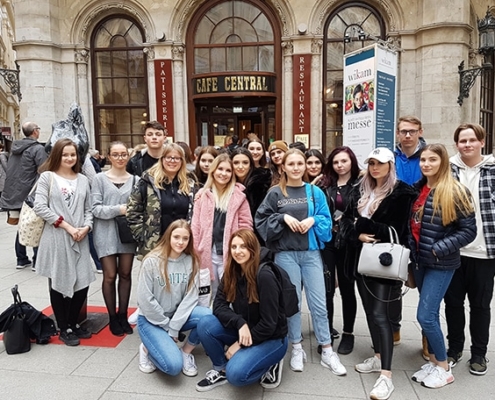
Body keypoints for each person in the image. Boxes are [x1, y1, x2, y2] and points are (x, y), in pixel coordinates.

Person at [255, 148, 346, 376]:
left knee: (319, 303)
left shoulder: (315, 192)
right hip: (285, 254)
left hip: (311, 253)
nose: (296, 167)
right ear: (283, 167)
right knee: (291, 303)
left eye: (300, 163)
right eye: (291, 164)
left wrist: (313, 219)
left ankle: (326, 349)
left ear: (305, 166)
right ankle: (296, 347)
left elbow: (326, 220)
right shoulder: (276, 193)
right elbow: (261, 219)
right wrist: (282, 217)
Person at [340, 147, 417, 399]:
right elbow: (345, 222)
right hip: (362, 259)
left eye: (380, 163)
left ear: (390, 165)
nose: (375, 168)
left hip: (384, 262)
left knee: (380, 315)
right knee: (370, 313)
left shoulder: (402, 192)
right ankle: (377, 356)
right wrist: (357, 233)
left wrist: (361, 224)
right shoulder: (360, 189)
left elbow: (396, 229)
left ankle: (386, 376)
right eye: (371, 163)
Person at [409, 143, 476, 389]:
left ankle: (444, 368)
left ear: (443, 162)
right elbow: (413, 225)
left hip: (440, 262)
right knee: (431, 314)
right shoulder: (418, 190)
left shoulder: (456, 190)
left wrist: (440, 248)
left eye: (432, 160)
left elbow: (469, 231)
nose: (426, 164)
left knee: (424, 316)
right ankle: (436, 361)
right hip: (419, 261)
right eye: (423, 159)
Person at [196, 229, 288, 391]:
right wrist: (240, 323)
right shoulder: (232, 272)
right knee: (205, 324)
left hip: (272, 338)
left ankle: (270, 362)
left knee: (237, 376)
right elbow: (218, 306)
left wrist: (239, 345)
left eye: (243, 247)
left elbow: (269, 324)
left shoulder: (265, 275)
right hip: (246, 330)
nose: (237, 251)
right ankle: (221, 369)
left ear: (253, 249)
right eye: (234, 247)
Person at [33, 138, 95, 346]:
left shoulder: (83, 179)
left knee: (83, 281)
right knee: (59, 281)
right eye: (65, 154)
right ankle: (64, 326)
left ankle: (74, 322)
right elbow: (40, 207)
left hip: (80, 236)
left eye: (73, 154)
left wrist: (86, 227)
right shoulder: (47, 178)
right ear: (57, 155)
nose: (69, 158)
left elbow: (89, 209)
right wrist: (67, 226)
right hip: (58, 236)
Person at [444, 124, 495, 375]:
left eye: (472, 140)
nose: (467, 144)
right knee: (452, 303)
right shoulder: (448, 170)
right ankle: (453, 350)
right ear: (456, 145)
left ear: (481, 142)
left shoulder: (493, 170)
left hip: (485, 253)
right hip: (454, 251)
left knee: (480, 306)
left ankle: (479, 354)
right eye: (462, 141)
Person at [137, 219, 212, 376]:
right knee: (173, 367)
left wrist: (174, 328)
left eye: (185, 238)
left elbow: (191, 298)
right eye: (176, 237)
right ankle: (146, 349)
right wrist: (166, 326)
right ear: (168, 236)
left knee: (207, 316)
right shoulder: (151, 261)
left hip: (177, 317)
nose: (181, 242)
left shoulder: (191, 261)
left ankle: (186, 352)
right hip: (152, 320)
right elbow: (145, 299)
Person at [191, 153, 253, 301]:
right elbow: (196, 226)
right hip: (207, 253)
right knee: (207, 296)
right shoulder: (203, 195)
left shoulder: (238, 196)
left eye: (228, 170)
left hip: (231, 253)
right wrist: (195, 250)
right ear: (213, 171)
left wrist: (240, 247)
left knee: (231, 294)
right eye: (220, 169)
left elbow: (246, 225)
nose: (223, 174)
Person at [91, 141, 137, 336]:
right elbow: (95, 208)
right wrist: (119, 209)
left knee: (125, 274)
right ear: (108, 157)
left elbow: (138, 208)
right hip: (105, 233)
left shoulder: (136, 180)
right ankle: (111, 317)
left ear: (128, 156)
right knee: (110, 275)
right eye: (116, 154)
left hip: (127, 234)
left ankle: (123, 315)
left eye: (123, 154)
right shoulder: (100, 179)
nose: (120, 158)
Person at [319, 146, 361, 355]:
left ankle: (348, 333)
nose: (340, 165)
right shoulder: (325, 185)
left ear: (351, 162)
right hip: (327, 242)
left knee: (347, 288)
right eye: (336, 162)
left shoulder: (361, 185)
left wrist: (348, 222)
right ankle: (325, 334)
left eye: (344, 161)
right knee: (326, 289)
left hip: (349, 243)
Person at [394, 115, 428, 356]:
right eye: (404, 131)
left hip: (424, 227)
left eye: (412, 131)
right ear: (397, 133)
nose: (407, 135)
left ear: (419, 132)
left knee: (426, 285)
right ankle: (394, 329)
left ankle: (427, 337)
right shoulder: (391, 157)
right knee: (393, 281)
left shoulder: (428, 157)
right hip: (396, 227)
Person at [127, 143, 197, 259]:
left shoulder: (190, 183)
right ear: (162, 159)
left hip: (182, 244)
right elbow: (132, 211)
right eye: (168, 157)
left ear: (182, 161)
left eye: (176, 158)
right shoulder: (147, 181)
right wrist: (143, 235)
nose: (172, 161)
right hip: (155, 244)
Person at [0, 122, 48, 270]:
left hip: (15, 193)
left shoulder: (15, 148)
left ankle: (21, 259)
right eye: (38, 129)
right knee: (36, 225)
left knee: (23, 225)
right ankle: (37, 259)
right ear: (35, 132)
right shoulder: (37, 148)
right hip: (31, 194)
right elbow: (44, 170)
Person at [230, 147, 271, 222]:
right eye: (236, 163)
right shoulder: (226, 183)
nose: (240, 167)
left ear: (250, 165)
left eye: (245, 163)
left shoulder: (260, 184)